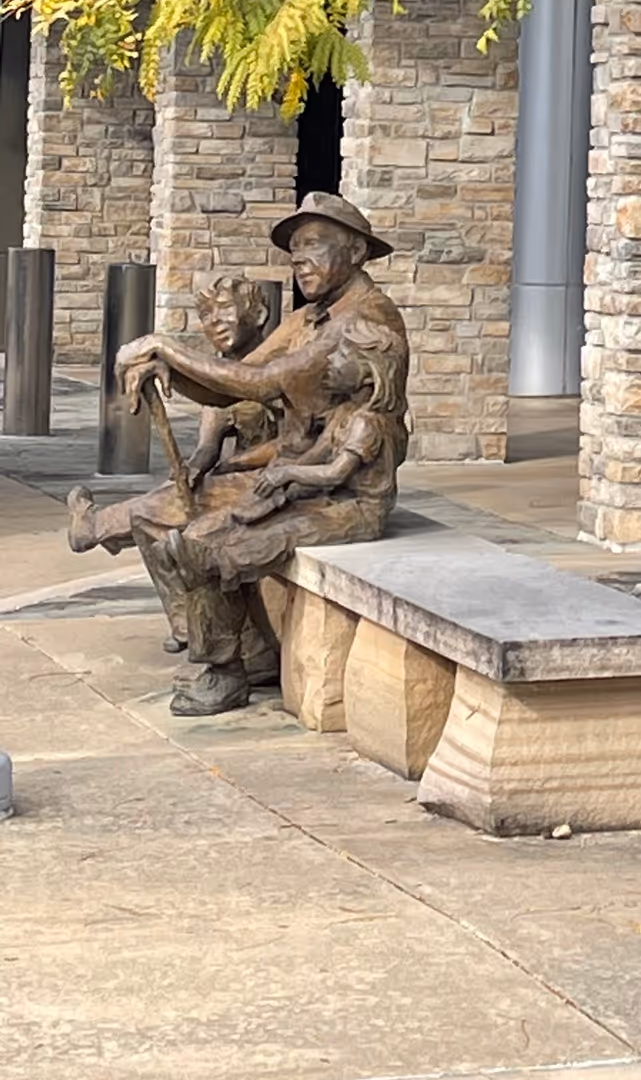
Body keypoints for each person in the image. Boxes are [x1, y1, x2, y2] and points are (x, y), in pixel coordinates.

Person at [106, 193, 411, 716]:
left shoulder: (364, 319)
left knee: (203, 541)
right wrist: (170, 372)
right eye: (294, 250)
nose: (298, 260)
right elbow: (236, 387)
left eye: (312, 244)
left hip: (334, 495)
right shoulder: (310, 316)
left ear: (356, 249)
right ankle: (249, 649)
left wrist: (166, 347)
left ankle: (224, 672)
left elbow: (265, 381)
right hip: (286, 479)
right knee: (155, 515)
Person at [66, 272, 283, 651]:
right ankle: (184, 622)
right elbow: (208, 446)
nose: (215, 325)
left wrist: (238, 464)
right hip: (236, 481)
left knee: (157, 514)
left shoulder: (277, 367)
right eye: (208, 318)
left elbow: (296, 442)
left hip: (274, 483)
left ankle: (95, 525)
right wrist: (194, 469)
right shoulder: (217, 375)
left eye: (225, 312)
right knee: (153, 517)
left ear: (260, 314)